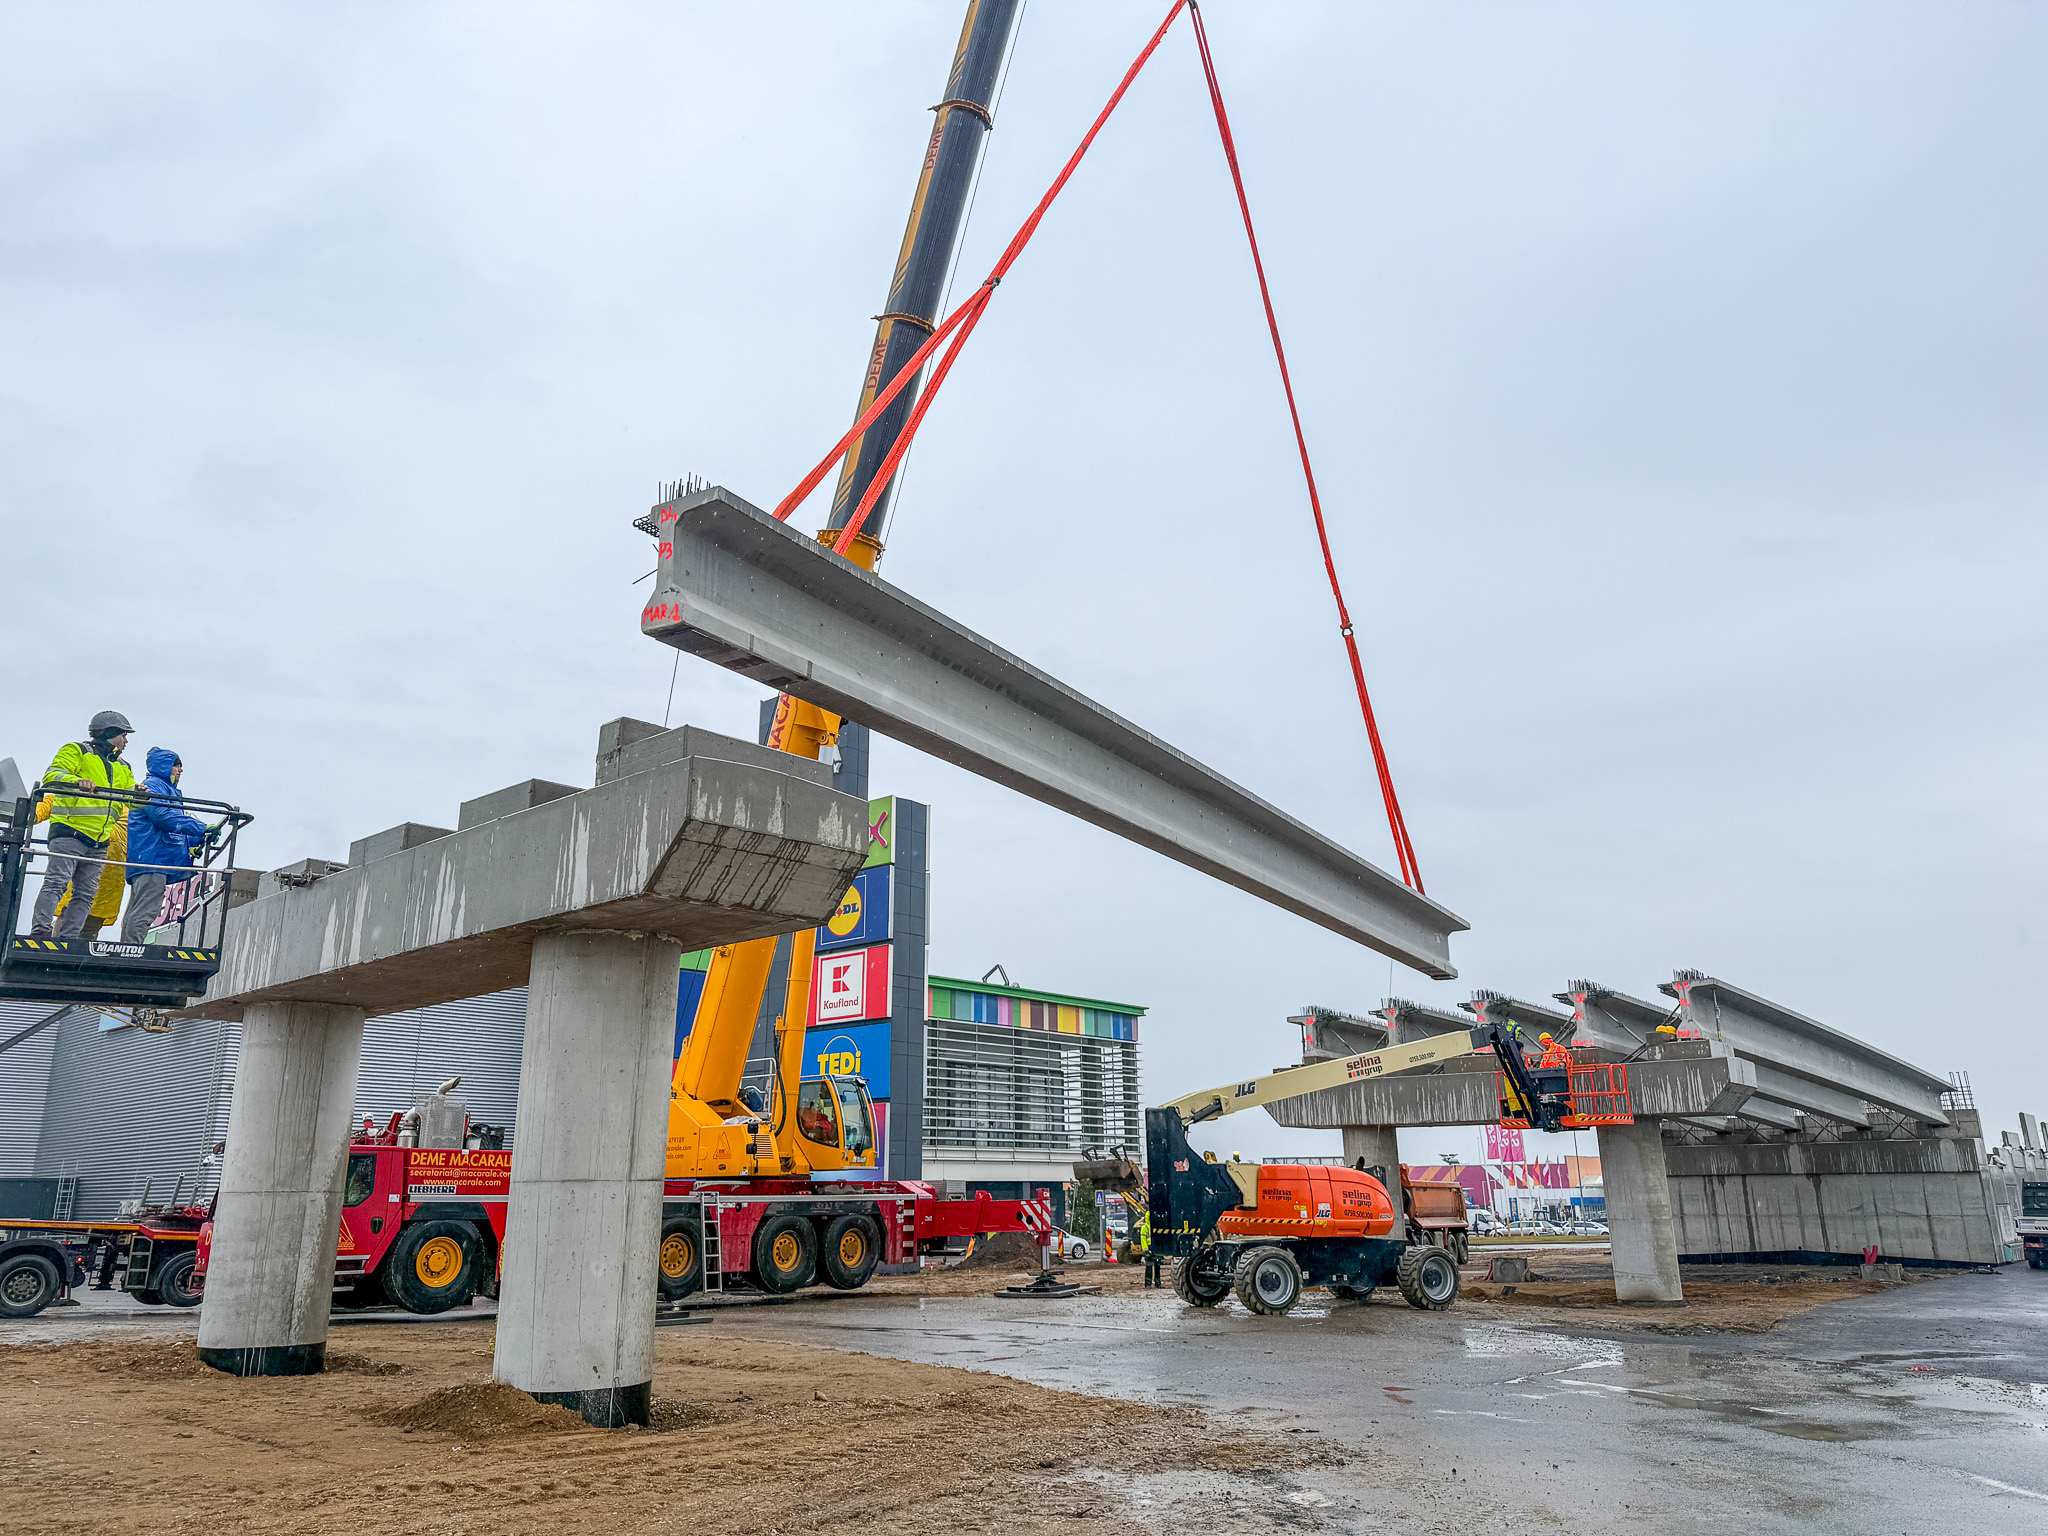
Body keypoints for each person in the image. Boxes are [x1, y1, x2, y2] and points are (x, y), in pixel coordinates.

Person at [29, 712, 136, 940]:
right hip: (70, 832)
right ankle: (40, 931)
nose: (126, 741)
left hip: (100, 840)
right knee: (56, 882)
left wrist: (140, 795)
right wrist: (76, 782)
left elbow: (131, 800)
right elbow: (53, 776)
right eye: (123, 735)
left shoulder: (123, 767)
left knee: (86, 894)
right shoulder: (77, 751)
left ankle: (68, 938)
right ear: (109, 733)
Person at [123, 747, 208, 944]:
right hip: (152, 859)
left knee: (142, 908)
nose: (180, 770)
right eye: (176, 765)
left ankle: (129, 946)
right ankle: (131, 949)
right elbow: (164, 817)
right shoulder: (153, 786)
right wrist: (201, 828)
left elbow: (172, 825)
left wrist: (193, 842)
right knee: (145, 910)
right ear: (163, 766)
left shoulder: (163, 789)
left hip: (153, 858)